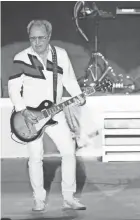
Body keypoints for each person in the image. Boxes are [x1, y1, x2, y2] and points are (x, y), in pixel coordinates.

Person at [8, 20, 86, 211]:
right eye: (33, 38)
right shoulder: (20, 57)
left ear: (49, 36)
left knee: (68, 152)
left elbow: (69, 79)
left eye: (41, 38)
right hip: (29, 117)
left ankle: (69, 197)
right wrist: (23, 111)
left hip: (55, 112)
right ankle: (39, 199)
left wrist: (79, 96)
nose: (37, 42)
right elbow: (13, 89)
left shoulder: (60, 55)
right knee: (35, 157)